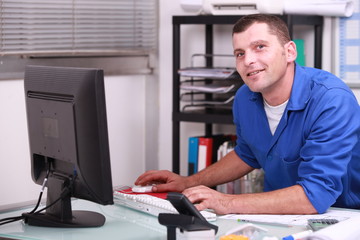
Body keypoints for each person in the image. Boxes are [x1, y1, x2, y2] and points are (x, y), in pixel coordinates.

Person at [135, 14, 360, 215]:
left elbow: (316, 194)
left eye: (260, 47)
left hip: (340, 216)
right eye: (240, 53)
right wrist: (188, 182)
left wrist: (227, 202)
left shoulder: (331, 99)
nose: (248, 61)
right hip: (279, 215)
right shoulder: (245, 96)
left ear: (290, 51)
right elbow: (247, 154)